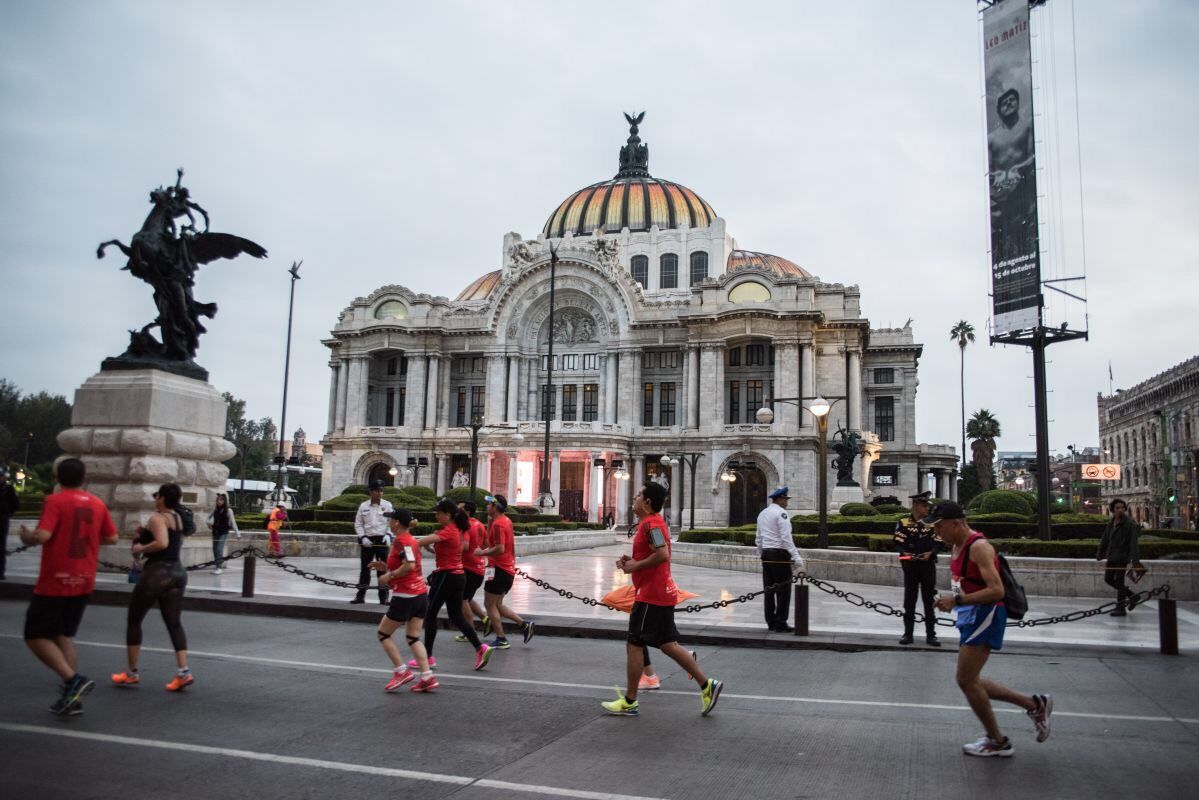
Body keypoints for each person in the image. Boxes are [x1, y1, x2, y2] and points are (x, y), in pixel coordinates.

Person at [928, 502, 1051, 757]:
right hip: (972, 614)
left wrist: (958, 601)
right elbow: (968, 584)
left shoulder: (980, 547)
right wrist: (951, 600)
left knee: (965, 679)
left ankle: (998, 740)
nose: (936, 531)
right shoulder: (955, 546)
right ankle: (1034, 705)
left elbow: (997, 590)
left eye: (939, 525)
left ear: (957, 523)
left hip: (988, 613)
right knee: (970, 679)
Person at [601, 481, 722, 718]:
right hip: (659, 593)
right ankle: (708, 685)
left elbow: (662, 555)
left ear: (647, 502)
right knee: (668, 644)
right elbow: (653, 554)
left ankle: (630, 701)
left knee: (634, 643)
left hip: (651, 596)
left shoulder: (653, 524)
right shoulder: (649, 525)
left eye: (638, 495)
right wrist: (631, 561)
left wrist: (635, 565)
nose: (634, 498)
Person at [19, 458, 118, 715]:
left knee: (35, 635)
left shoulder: (55, 501)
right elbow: (112, 537)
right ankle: (72, 697)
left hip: (56, 579)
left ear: (58, 478)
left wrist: (27, 537)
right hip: (84, 578)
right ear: (84, 478)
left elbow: (43, 536)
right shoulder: (97, 503)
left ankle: (72, 680)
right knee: (63, 635)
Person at [112, 483, 196, 692]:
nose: (155, 498)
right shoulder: (177, 518)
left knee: (134, 620)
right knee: (174, 623)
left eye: (157, 495)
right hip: (178, 572)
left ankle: (131, 673)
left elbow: (162, 543)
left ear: (163, 498)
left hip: (158, 573)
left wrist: (141, 547)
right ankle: (183, 671)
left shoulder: (157, 518)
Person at [413, 498, 491, 671]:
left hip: (446, 576)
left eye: (438, 513)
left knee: (430, 613)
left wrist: (404, 536)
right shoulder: (456, 529)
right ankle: (481, 648)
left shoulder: (448, 530)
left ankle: (427, 657)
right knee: (456, 617)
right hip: (458, 575)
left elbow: (418, 542)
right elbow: (448, 548)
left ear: (447, 515)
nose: (436, 515)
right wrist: (433, 549)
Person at [368, 508, 438, 693]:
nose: (389, 521)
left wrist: (388, 576)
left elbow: (409, 566)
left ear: (397, 523)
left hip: (405, 596)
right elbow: (407, 563)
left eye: (391, 519)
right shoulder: (410, 540)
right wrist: (384, 566)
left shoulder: (401, 541)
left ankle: (401, 671)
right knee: (413, 637)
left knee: (383, 634)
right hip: (420, 595)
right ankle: (427, 676)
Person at [475, 494, 534, 649]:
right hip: (506, 569)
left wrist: (481, 553)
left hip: (498, 569)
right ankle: (524, 625)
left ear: (495, 507)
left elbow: (499, 548)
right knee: (498, 604)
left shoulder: (499, 524)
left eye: (489, 505)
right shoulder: (505, 520)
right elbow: (492, 541)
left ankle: (501, 639)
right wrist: (489, 523)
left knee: (489, 604)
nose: (486, 507)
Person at [893, 491, 942, 646]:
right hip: (910, 565)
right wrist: (904, 552)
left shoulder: (932, 523)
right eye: (924, 505)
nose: (927, 508)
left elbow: (939, 542)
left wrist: (931, 553)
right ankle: (908, 634)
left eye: (927, 505)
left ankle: (931, 635)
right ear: (915, 505)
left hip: (927, 565)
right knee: (909, 600)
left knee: (929, 600)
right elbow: (897, 542)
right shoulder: (903, 522)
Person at [755, 486, 803, 632]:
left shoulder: (762, 513)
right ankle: (781, 622)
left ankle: (770, 622)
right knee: (783, 590)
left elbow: (758, 538)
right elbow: (786, 537)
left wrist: (761, 554)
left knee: (769, 590)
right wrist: (796, 556)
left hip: (767, 555)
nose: (787, 502)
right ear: (780, 499)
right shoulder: (782, 513)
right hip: (779, 554)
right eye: (786, 499)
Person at [1097, 498, 1142, 616]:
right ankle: (1132, 596)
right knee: (1108, 579)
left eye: (1122, 507)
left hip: (1122, 557)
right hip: (1112, 556)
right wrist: (1100, 554)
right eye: (1117, 508)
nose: (1120, 510)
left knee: (1118, 580)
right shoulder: (1111, 523)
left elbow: (1133, 542)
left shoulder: (1129, 524)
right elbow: (1105, 539)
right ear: (1112, 510)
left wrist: (1135, 560)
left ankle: (1121, 608)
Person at [351, 480, 392, 605]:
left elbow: (392, 522)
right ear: (371, 492)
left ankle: (384, 597)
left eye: (381, 490)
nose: (379, 493)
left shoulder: (387, 505)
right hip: (367, 540)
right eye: (376, 490)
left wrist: (389, 535)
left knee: (382, 570)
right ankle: (360, 596)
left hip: (382, 540)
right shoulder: (364, 506)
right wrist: (362, 537)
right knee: (365, 569)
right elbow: (358, 524)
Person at [454, 500, 490, 640]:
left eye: (460, 509)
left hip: (468, 568)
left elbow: (465, 546)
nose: (457, 511)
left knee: (462, 601)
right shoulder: (480, 524)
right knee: (467, 598)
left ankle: (469, 632)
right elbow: (487, 545)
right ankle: (485, 618)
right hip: (479, 569)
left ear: (467, 512)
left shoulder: (465, 526)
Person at [207, 493, 239, 575]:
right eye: (218, 500)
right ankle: (217, 566)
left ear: (224, 501)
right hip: (215, 531)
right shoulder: (215, 510)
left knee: (219, 549)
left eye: (221, 500)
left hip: (223, 532)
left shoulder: (229, 510)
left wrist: (237, 533)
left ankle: (219, 568)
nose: (219, 501)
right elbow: (207, 518)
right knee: (214, 549)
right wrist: (208, 523)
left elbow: (233, 522)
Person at [0, 466, 19, 579]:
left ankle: (0, 571)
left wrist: (7, 514)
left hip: (2, 520)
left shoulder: (8, 489)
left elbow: (15, 504)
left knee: (1, 547)